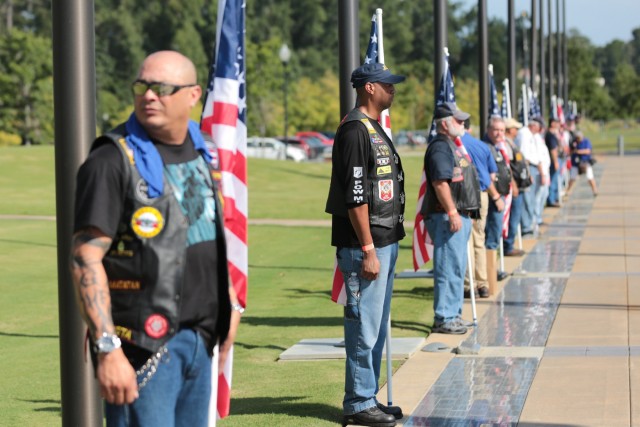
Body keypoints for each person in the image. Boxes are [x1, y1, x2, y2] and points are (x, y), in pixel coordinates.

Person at [70, 51, 240, 426]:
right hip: (144, 349)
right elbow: (85, 258)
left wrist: (229, 305)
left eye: (162, 88)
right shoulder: (111, 160)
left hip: (199, 339)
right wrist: (107, 349)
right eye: (142, 86)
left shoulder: (203, 151)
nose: (149, 95)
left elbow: (206, 235)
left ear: (193, 95)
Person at [325, 62, 406, 427]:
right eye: (388, 85)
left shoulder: (372, 128)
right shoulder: (356, 131)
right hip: (365, 246)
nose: (394, 90)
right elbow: (356, 197)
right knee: (363, 326)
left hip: (384, 240)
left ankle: (368, 396)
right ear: (370, 88)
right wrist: (369, 249)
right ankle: (358, 403)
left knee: (376, 325)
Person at [422, 102, 480, 335]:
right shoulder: (440, 147)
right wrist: (453, 212)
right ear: (445, 124)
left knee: (457, 267)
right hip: (446, 216)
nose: (463, 123)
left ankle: (454, 314)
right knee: (448, 267)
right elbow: (439, 182)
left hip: (458, 215)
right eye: (458, 120)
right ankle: (444, 316)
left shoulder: (452, 145)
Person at [460, 119, 501, 298]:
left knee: (467, 240)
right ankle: (483, 283)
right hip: (482, 194)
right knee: (479, 238)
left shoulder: (456, 145)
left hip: (463, 195)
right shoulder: (482, 146)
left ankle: (470, 285)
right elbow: (492, 174)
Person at [483, 116, 510, 288]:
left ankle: (492, 269)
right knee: (491, 237)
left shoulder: (499, 147)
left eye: (502, 130)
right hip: (493, 199)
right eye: (496, 130)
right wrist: (496, 197)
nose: (499, 133)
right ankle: (489, 274)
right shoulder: (487, 148)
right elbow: (486, 177)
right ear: (488, 130)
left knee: (496, 234)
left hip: (501, 196)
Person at [503, 118, 529, 257]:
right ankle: (508, 246)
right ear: (509, 129)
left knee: (516, 216)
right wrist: (513, 184)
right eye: (515, 128)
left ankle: (509, 244)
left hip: (520, 185)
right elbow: (508, 167)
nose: (517, 131)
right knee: (514, 216)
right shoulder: (506, 145)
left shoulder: (511, 143)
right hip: (515, 187)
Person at [515, 117, 544, 235]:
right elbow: (523, 155)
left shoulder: (530, 134)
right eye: (539, 127)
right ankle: (526, 226)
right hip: (527, 167)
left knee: (531, 198)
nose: (540, 130)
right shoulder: (524, 134)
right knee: (527, 198)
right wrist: (527, 172)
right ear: (533, 125)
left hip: (533, 167)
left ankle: (529, 223)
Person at [566, 131, 598, 196]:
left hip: (585, 162)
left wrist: (578, 151)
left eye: (579, 138)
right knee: (572, 177)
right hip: (575, 162)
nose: (578, 139)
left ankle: (595, 190)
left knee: (590, 177)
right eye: (577, 138)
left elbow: (588, 151)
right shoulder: (573, 142)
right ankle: (568, 191)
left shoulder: (586, 141)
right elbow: (570, 151)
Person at [545, 117, 561, 207]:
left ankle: (553, 198)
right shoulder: (550, 135)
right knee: (553, 180)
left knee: (555, 180)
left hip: (553, 160)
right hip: (552, 160)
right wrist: (555, 161)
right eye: (556, 122)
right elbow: (553, 150)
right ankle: (551, 200)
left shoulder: (553, 134)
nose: (558, 124)